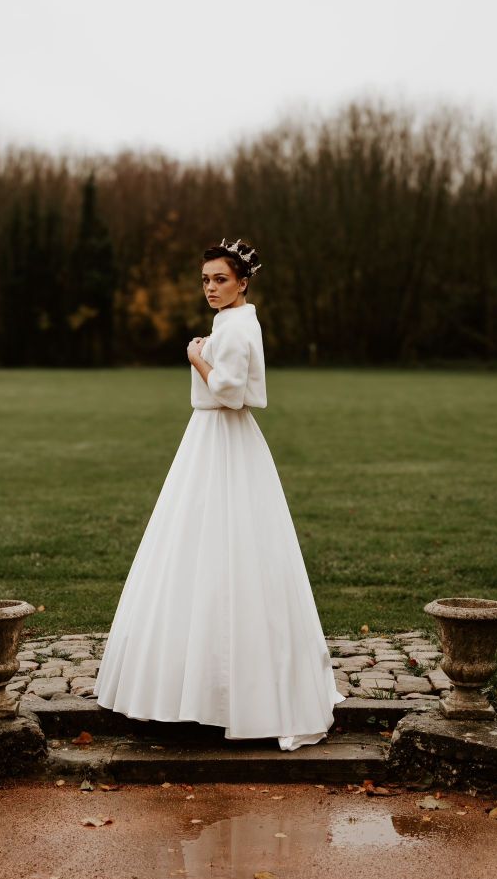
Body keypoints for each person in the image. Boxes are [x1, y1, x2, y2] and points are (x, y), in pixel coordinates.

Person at [93, 238, 345, 750]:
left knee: (218, 546)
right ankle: (203, 693)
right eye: (206, 280)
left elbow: (229, 392)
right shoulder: (234, 322)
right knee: (202, 546)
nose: (210, 288)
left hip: (223, 437)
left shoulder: (236, 326)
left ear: (243, 282)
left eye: (220, 280)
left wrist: (195, 358)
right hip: (216, 441)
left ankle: (215, 698)